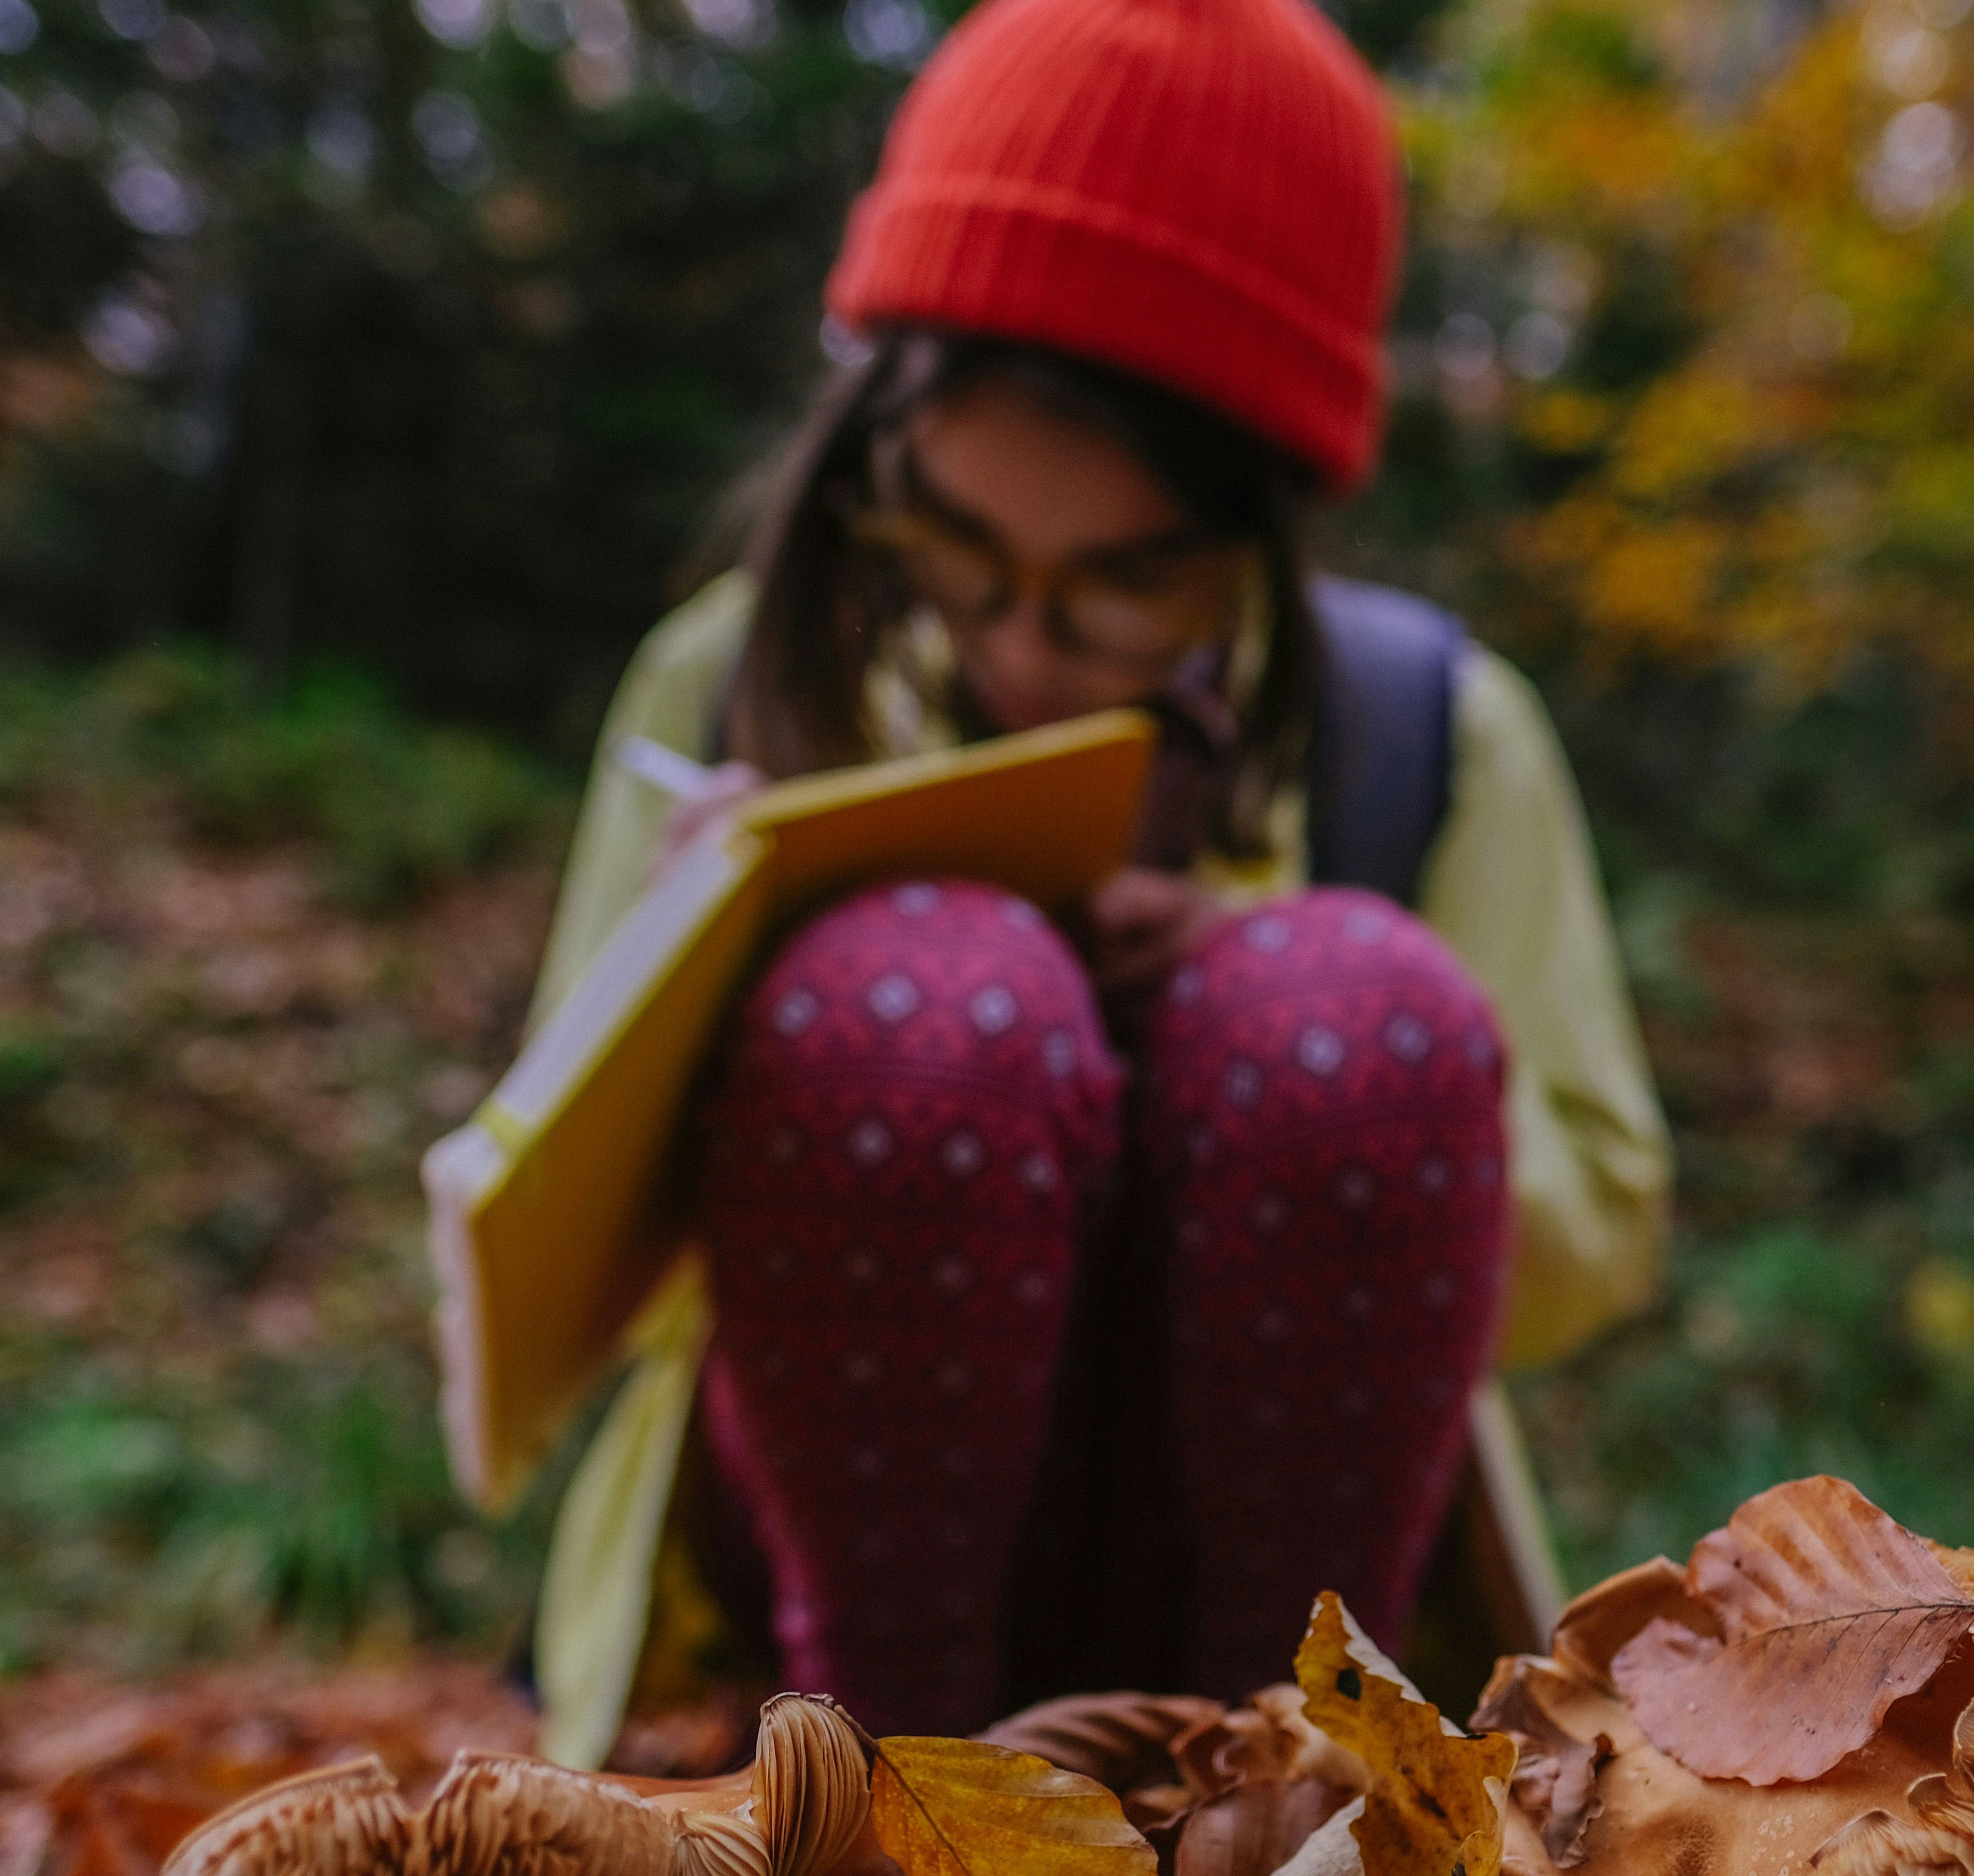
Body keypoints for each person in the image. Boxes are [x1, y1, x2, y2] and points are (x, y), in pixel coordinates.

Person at [521, 0, 1669, 1761]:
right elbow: (543, 1261)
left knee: (1345, 1015)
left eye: (1118, 584)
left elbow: (1600, 1226)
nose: (1025, 649)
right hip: (821, 1561)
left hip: (1286, 1525)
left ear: (1260, 533)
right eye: (959, 554)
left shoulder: (1433, 737)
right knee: (913, 1009)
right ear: (874, 439)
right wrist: (712, 1020)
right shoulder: (729, 675)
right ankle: (890, 1808)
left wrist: (1300, 1036)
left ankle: (1286, 1798)